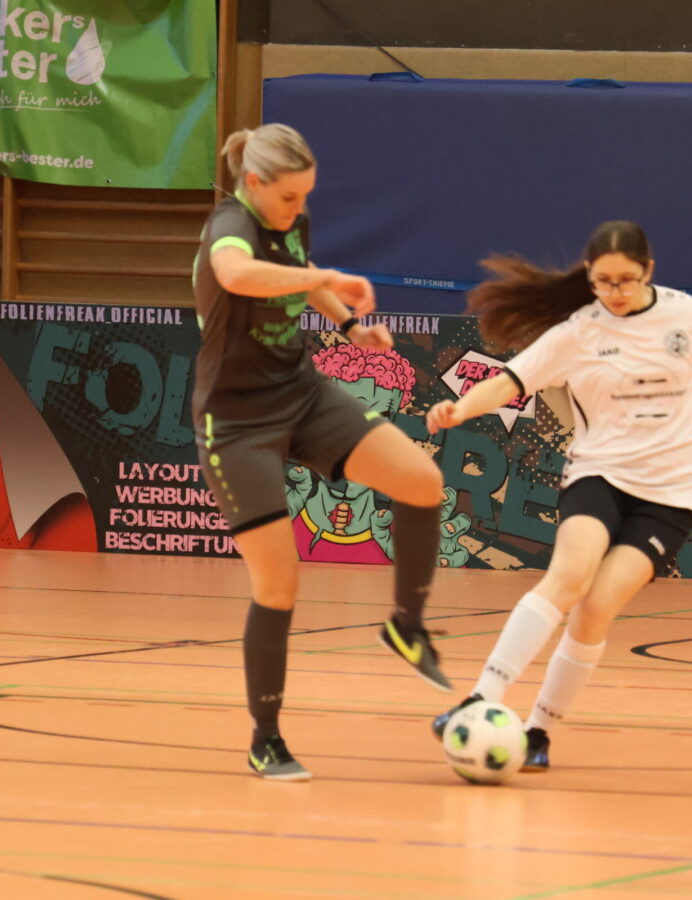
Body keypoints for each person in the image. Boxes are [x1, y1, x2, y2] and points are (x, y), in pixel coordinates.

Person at [429, 219, 692, 769]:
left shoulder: (689, 317)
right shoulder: (577, 332)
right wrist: (458, 409)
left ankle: (539, 732)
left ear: (649, 271)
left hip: (672, 492)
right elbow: (510, 382)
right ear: (589, 276)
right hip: (599, 474)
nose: (615, 292)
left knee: (597, 607)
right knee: (569, 576)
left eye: (626, 280)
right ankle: (480, 697)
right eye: (603, 282)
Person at [192, 123, 452, 782]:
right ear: (254, 183)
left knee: (421, 480)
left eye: (306, 196)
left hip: (301, 395)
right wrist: (329, 273)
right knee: (279, 585)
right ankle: (266, 740)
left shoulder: (289, 224)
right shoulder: (230, 225)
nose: (299, 208)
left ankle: (407, 626)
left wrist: (349, 324)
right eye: (288, 197)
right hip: (237, 424)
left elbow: (298, 281)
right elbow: (238, 274)